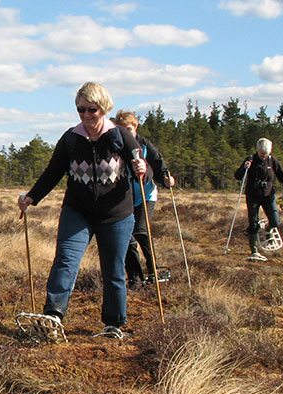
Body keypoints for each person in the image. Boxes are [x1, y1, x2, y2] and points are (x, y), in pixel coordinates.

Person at [18, 82, 149, 339]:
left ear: (103, 108)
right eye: (80, 110)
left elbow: (142, 166)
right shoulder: (71, 139)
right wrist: (32, 197)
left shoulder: (122, 136)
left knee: (113, 268)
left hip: (116, 214)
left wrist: (142, 169)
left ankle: (113, 324)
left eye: (92, 110)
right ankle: (53, 316)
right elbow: (53, 172)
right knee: (66, 260)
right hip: (78, 211)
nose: (86, 116)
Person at [113, 110, 175, 289]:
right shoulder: (116, 147)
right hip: (125, 198)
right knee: (126, 237)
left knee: (140, 230)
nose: (126, 133)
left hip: (146, 195)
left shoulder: (145, 145)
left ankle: (152, 267)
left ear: (136, 127)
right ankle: (135, 277)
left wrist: (166, 179)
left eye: (129, 129)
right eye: (122, 129)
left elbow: (158, 164)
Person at [233, 138, 283, 261]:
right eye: (262, 154)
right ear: (258, 150)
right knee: (253, 223)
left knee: (275, 221)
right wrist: (244, 168)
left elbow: (282, 177)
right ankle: (254, 251)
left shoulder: (273, 161)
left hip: (268, 195)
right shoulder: (250, 159)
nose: (264, 156)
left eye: (266, 154)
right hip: (253, 195)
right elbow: (237, 176)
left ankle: (268, 229)